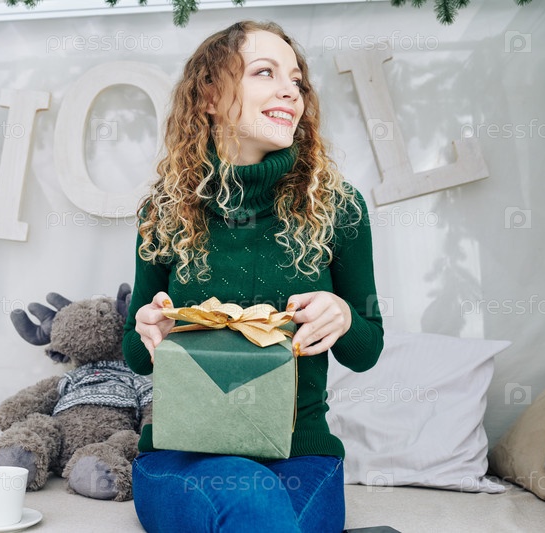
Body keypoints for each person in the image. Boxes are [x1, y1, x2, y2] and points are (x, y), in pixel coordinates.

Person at [122, 20, 384, 533]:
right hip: (183, 453)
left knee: (259, 505)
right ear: (209, 95)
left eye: (297, 80)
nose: (291, 90)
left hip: (300, 456)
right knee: (247, 495)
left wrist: (344, 316)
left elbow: (366, 351)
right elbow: (137, 356)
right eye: (265, 72)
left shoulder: (339, 207)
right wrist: (149, 328)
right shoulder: (165, 209)